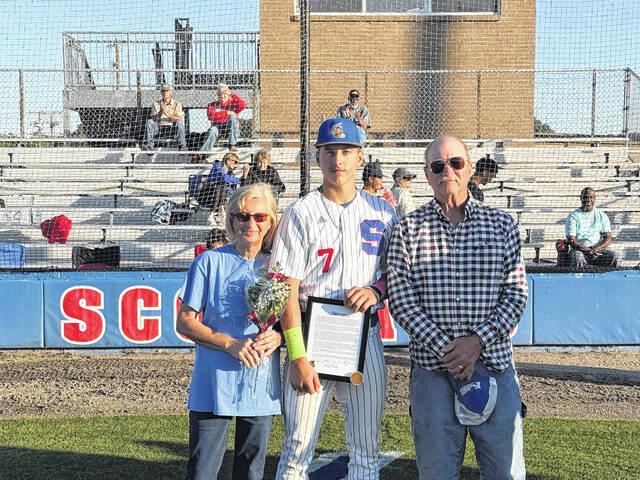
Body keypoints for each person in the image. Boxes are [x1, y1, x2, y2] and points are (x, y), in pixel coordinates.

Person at [387, 136, 528, 480]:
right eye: (438, 166)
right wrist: (450, 351)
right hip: (432, 372)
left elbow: (516, 294)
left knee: (506, 473)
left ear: (469, 169)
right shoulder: (407, 228)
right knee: (435, 473)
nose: (446, 171)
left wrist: (476, 342)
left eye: (455, 163)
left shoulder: (502, 224)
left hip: (493, 364)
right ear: (427, 174)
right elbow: (401, 300)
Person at [270, 118, 396, 479]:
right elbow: (285, 290)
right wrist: (296, 355)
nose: (337, 160)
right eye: (329, 152)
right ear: (317, 157)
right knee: (296, 450)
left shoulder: (382, 212)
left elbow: (397, 275)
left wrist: (376, 291)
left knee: (366, 451)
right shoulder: (300, 212)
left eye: (346, 151)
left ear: (360, 157)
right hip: (311, 335)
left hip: (363, 335)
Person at [177, 183, 282, 480]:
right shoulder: (209, 262)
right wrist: (229, 343)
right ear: (232, 220)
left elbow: (291, 320)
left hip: (259, 382)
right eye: (242, 216)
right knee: (202, 470)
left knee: (251, 471)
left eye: (260, 217)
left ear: (271, 220)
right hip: (212, 382)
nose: (251, 223)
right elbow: (184, 321)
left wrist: (279, 336)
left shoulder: (280, 266)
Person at [565, 187, 618, 268]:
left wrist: (594, 250)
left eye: (591, 197)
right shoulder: (573, 216)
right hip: (580, 250)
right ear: (581, 198)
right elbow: (571, 239)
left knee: (614, 256)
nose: (588, 200)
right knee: (577, 256)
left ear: (594, 198)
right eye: (585, 197)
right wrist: (585, 250)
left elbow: (608, 239)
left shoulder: (602, 216)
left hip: (598, 252)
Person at [196, 83, 246, 159]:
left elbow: (243, 105)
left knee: (232, 117)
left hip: (231, 130)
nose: (222, 96)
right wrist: (226, 113)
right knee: (212, 130)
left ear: (227, 94)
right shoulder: (212, 105)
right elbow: (211, 116)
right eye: (219, 94)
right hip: (218, 128)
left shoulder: (233, 103)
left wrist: (232, 94)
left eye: (224, 94)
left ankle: (232, 144)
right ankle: (204, 154)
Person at [198, 152, 242, 225]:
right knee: (220, 184)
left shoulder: (230, 173)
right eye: (235, 162)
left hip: (218, 198)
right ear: (228, 160)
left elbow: (230, 189)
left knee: (222, 186)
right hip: (205, 195)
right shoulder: (217, 166)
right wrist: (239, 180)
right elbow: (224, 177)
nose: (236, 165)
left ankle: (215, 214)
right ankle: (218, 213)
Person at [142, 83, 187, 151]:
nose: (165, 92)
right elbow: (153, 118)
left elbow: (179, 117)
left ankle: (182, 145)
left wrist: (167, 113)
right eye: (163, 91)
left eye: (167, 91)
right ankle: (149, 146)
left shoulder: (177, 104)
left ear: (170, 92)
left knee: (180, 122)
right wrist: (161, 112)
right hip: (160, 128)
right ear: (161, 92)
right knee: (150, 122)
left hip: (172, 128)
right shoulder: (156, 103)